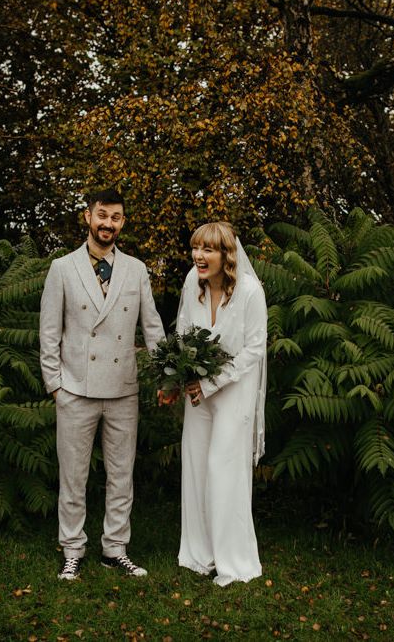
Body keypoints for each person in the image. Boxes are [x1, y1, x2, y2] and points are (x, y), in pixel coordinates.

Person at [39, 187, 165, 580]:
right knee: (73, 477)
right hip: (75, 390)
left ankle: (115, 548)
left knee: (121, 474)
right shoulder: (62, 268)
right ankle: (73, 549)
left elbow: (153, 327)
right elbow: (48, 333)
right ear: (88, 216)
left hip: (123, 389)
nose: (108, 223)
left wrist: (168, 373)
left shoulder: (137, 269)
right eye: (102, 215)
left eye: (115, 217)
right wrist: (56, 387)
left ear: (122, 222)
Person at [170, 221, 267, 586]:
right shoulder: (191, 283)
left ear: (227, 255)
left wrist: (211, 382)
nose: (199, 256)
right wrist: (179, 376)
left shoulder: (249, 291)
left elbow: (254, 349)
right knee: (195, 465)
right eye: (196, 247)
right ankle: (199, 554)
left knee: (222, 470)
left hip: (233, 390)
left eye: (208, 249)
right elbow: (182, 332)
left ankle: (234, 561)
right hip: (197, 390)